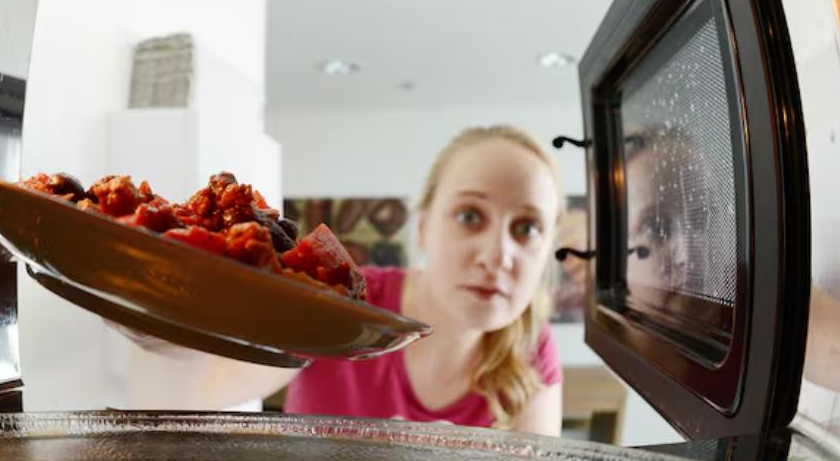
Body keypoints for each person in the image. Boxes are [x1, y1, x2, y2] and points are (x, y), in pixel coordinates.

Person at [123, 125, 565, 435]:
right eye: (470, 216)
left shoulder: (533, 346)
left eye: (527, 228)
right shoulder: (343, 302)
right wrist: (162, 327)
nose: (497, 255)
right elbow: (191, 396)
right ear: (424, 227)